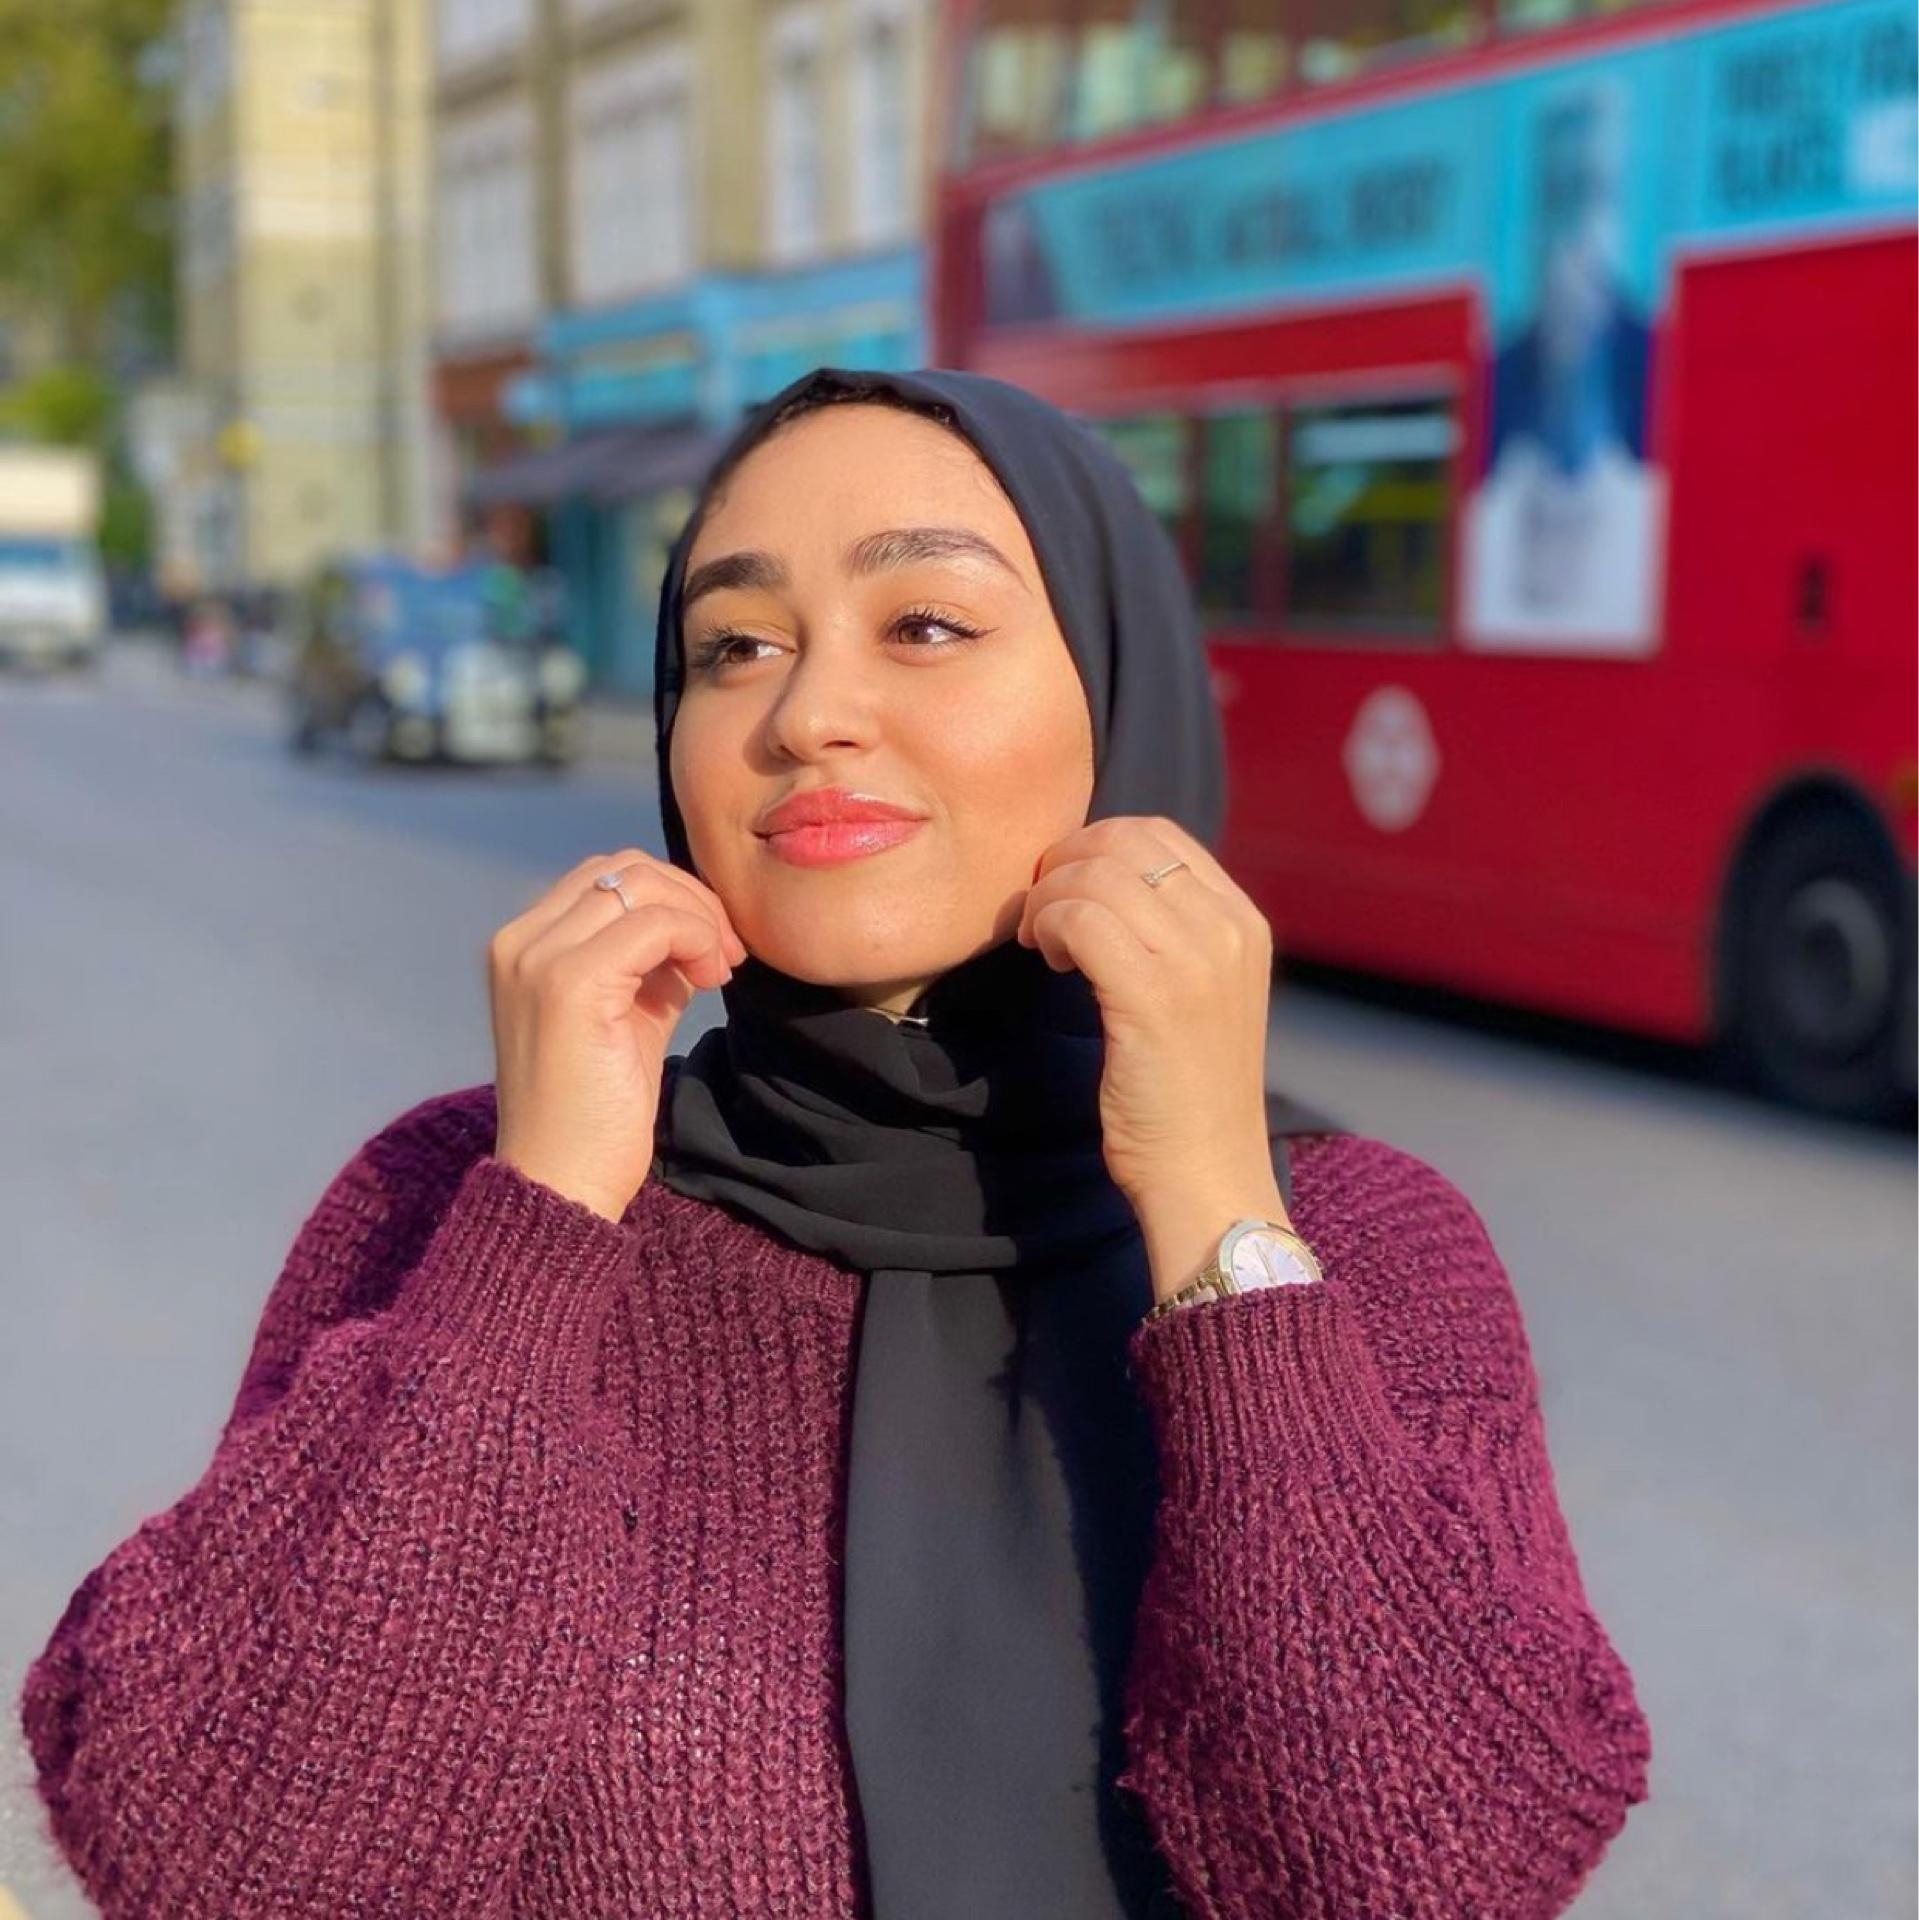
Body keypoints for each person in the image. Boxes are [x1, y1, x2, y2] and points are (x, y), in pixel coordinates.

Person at [16, 366, 1652, 1918]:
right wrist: (541, 1225)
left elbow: (1426, 1872)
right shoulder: (464, 1203)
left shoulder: (1356, 1244)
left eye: (926, 624)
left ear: (1115, 688)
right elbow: (225, 1864)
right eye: (734, 647)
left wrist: (1216, 1210)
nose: (809, 715)